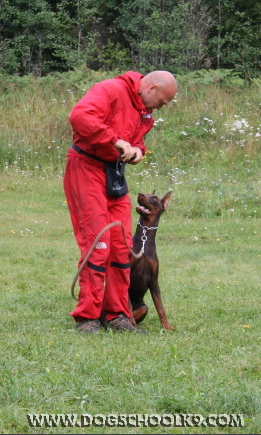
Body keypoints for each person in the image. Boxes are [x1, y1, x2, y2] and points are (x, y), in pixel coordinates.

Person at [63, 70, 177, 333]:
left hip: (113, 173)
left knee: (121, 244)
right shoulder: (110, 90)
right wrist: (114, 140)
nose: (161, 107)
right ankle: (88, 318)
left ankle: (117, 315)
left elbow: (137, 140)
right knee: (98, 243)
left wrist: (138, 150)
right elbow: (80, 117)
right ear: (151, 89)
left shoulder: (144, 111)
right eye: (161, 101)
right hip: (86, 167)